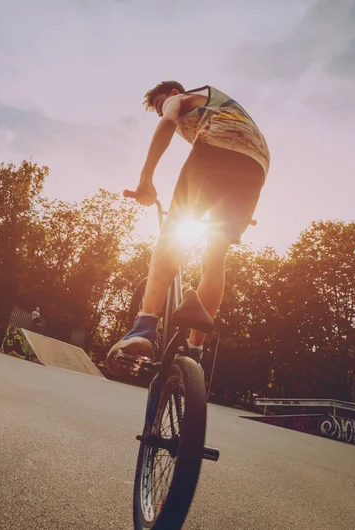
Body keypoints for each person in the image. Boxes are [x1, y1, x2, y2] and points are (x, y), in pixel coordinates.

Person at [106, 81, 270, 376]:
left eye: (158, 105)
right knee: (216, 255)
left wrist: (146, 179)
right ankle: (195, 351)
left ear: (170, 94)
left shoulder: (179, 99)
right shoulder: (223, 104)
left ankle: (143, 329)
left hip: (217, 146)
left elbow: (168, 122)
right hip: (256, 163)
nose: (161, 111)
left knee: (170, 237)